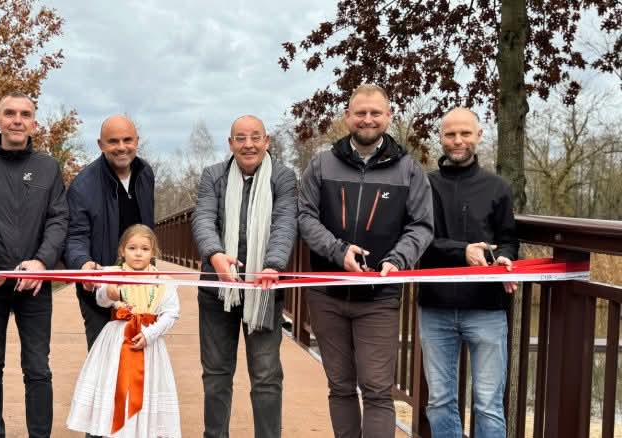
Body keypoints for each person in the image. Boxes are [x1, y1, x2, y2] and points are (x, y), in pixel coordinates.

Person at [297, 83, 433, 438]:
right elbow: (305, 217)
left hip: (380, 295)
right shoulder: (321, 164)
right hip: (326, 292)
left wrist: (398, 260)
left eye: (375, 113)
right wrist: (338, 251)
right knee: (340, 386)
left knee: (376, 390)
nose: (368, 119)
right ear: (347, 117)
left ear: (388, 117)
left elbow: (421, 225)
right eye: (360, 113)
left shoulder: (409, 169)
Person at [0, 92, 68, 438]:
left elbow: (58, 220)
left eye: (25, 114)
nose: (17, 120)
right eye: (10, 113)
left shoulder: (49, 167)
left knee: (38, 368)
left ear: (34, 123)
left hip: (34, 283)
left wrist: (42, 262)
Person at [191, 115, 298, 437]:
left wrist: (273, 265)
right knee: (215, 374)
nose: (248, 144)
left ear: (267, 141)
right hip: (216, 289)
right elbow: (203, 217)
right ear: (230, 144)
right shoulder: (213, 175)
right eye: (240, 138)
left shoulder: (283, 177)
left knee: (266, 376)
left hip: (263, 288)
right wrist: (214, 254)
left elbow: (285, 222)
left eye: (255, 137)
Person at [418, 107, 518, 438]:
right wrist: (462, 251)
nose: (457, 140)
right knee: (440, 400)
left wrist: (505, 259)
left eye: (464, 133)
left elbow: (507, 240)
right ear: (441, 138)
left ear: (478, 135)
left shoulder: (498, 187)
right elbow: (419, 241)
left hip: (487, 307)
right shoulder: (423, 185)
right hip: (436, 306)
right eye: (450, 134)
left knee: (488, 403)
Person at [67, 224, 181, 437]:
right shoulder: (112, 274)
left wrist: (150, 334)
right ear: (122, 251)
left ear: (154, 252)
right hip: (118, 340)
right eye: (132, 247)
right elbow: (101, 301)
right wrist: (109, 294)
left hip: (148, 342)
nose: (138, 253)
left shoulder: (163, 280)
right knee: (117, 388)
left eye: (145, 249)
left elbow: (172, 313)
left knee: (145, 389)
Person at [66, 115, 155, 352]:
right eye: (113, 141)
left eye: (127, 140)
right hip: (99, 290)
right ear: (100, 144)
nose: (121, 147)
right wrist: (82, 263)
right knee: (103, 362)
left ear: (137, 141)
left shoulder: (146, 173)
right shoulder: (83, 185)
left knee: (139, 360)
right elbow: (75, 235)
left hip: (140, 286)